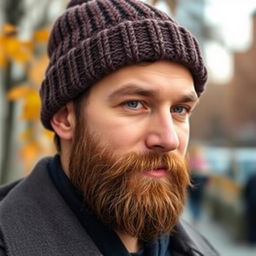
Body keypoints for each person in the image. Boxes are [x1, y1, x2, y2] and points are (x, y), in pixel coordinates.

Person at [0, 0, 219, 255]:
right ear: (64, 118)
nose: (168, 139)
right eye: (135, 104)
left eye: (179, 109)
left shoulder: (200, 248)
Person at [187, 145, 210, 225]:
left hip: (192, 186)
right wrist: (207, 185)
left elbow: (186, 175)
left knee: (192, 202)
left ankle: (194, 216)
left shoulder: (189, 161)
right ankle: (197, 216)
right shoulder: (203, 163)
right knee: (198, 202)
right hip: (201, 187)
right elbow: (207, 176)